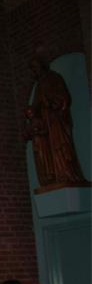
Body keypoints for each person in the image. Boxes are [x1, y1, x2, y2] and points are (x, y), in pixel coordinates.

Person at [29, 54, 90, 186]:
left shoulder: (55, 78)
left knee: (61, 147)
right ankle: (54, 176)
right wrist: (32, 112)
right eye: (32, 68)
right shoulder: (39, 85)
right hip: (46, 122)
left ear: (42, 65)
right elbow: (35, 105)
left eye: (36, 67)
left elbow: (64, 98)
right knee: (47, 150)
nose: (35, 70)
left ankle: (67, 173)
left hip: (56, 120)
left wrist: (53, 103)